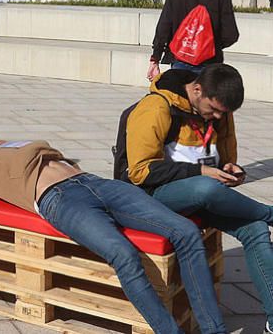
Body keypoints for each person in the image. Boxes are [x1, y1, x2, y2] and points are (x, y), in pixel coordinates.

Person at [0, 136, 226, 334]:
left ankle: (214, 330)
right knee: (122, 254)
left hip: (93, 182)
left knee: (185, 232)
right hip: (60, 199)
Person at [117, 64, 273, 332]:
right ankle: (269, 212)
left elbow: (222, 156)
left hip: (198, 193)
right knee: (206, 188)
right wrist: (200, 172)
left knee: (255, 228)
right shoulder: (156, 108)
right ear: (197, 90)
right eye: (212, 110)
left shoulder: (220, 111)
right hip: (150, 195)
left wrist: (230, 169)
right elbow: (140, 172)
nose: (216, 117)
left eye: (222, 114)